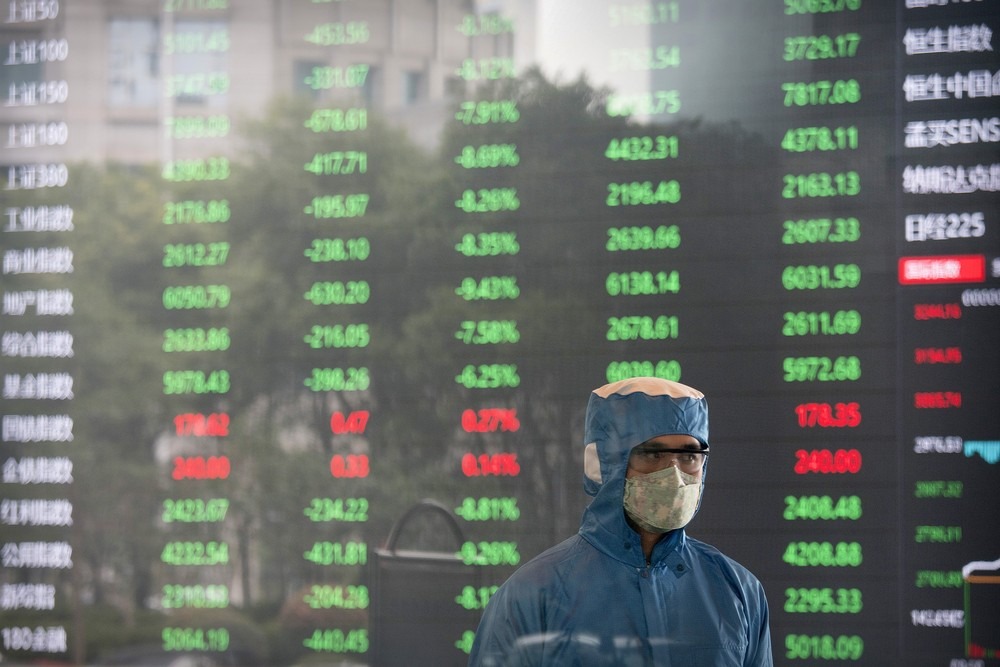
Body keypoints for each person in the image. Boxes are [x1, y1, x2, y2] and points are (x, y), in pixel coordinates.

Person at [467, 377, 773, 666]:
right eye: (653, 456)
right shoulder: (532, 596)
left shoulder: (738, 592)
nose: (675, 475)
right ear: (603, 464)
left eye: (689, 457)